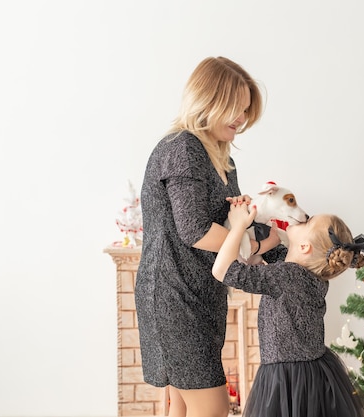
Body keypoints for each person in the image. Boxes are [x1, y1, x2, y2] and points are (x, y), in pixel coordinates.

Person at [134, 57, 281, 417]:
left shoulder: (221, 157)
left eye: (246, 111)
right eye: (235, 108)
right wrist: (263, 243)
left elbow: (234, 224)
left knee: (182, 408)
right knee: (212, 409)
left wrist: (257, 230)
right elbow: (197, 231)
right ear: (209, 100)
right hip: (174, 296)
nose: (242, 118)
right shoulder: (184, 148)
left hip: (199, 293)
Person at [212, 199, 364, 417]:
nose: (304, 217)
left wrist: (238, 224)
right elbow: (276, 253)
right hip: (313, 373)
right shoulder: (309, 275)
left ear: (305, 247)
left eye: (309, 221)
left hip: (284, 378)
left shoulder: (288, 275)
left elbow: (222, 270)